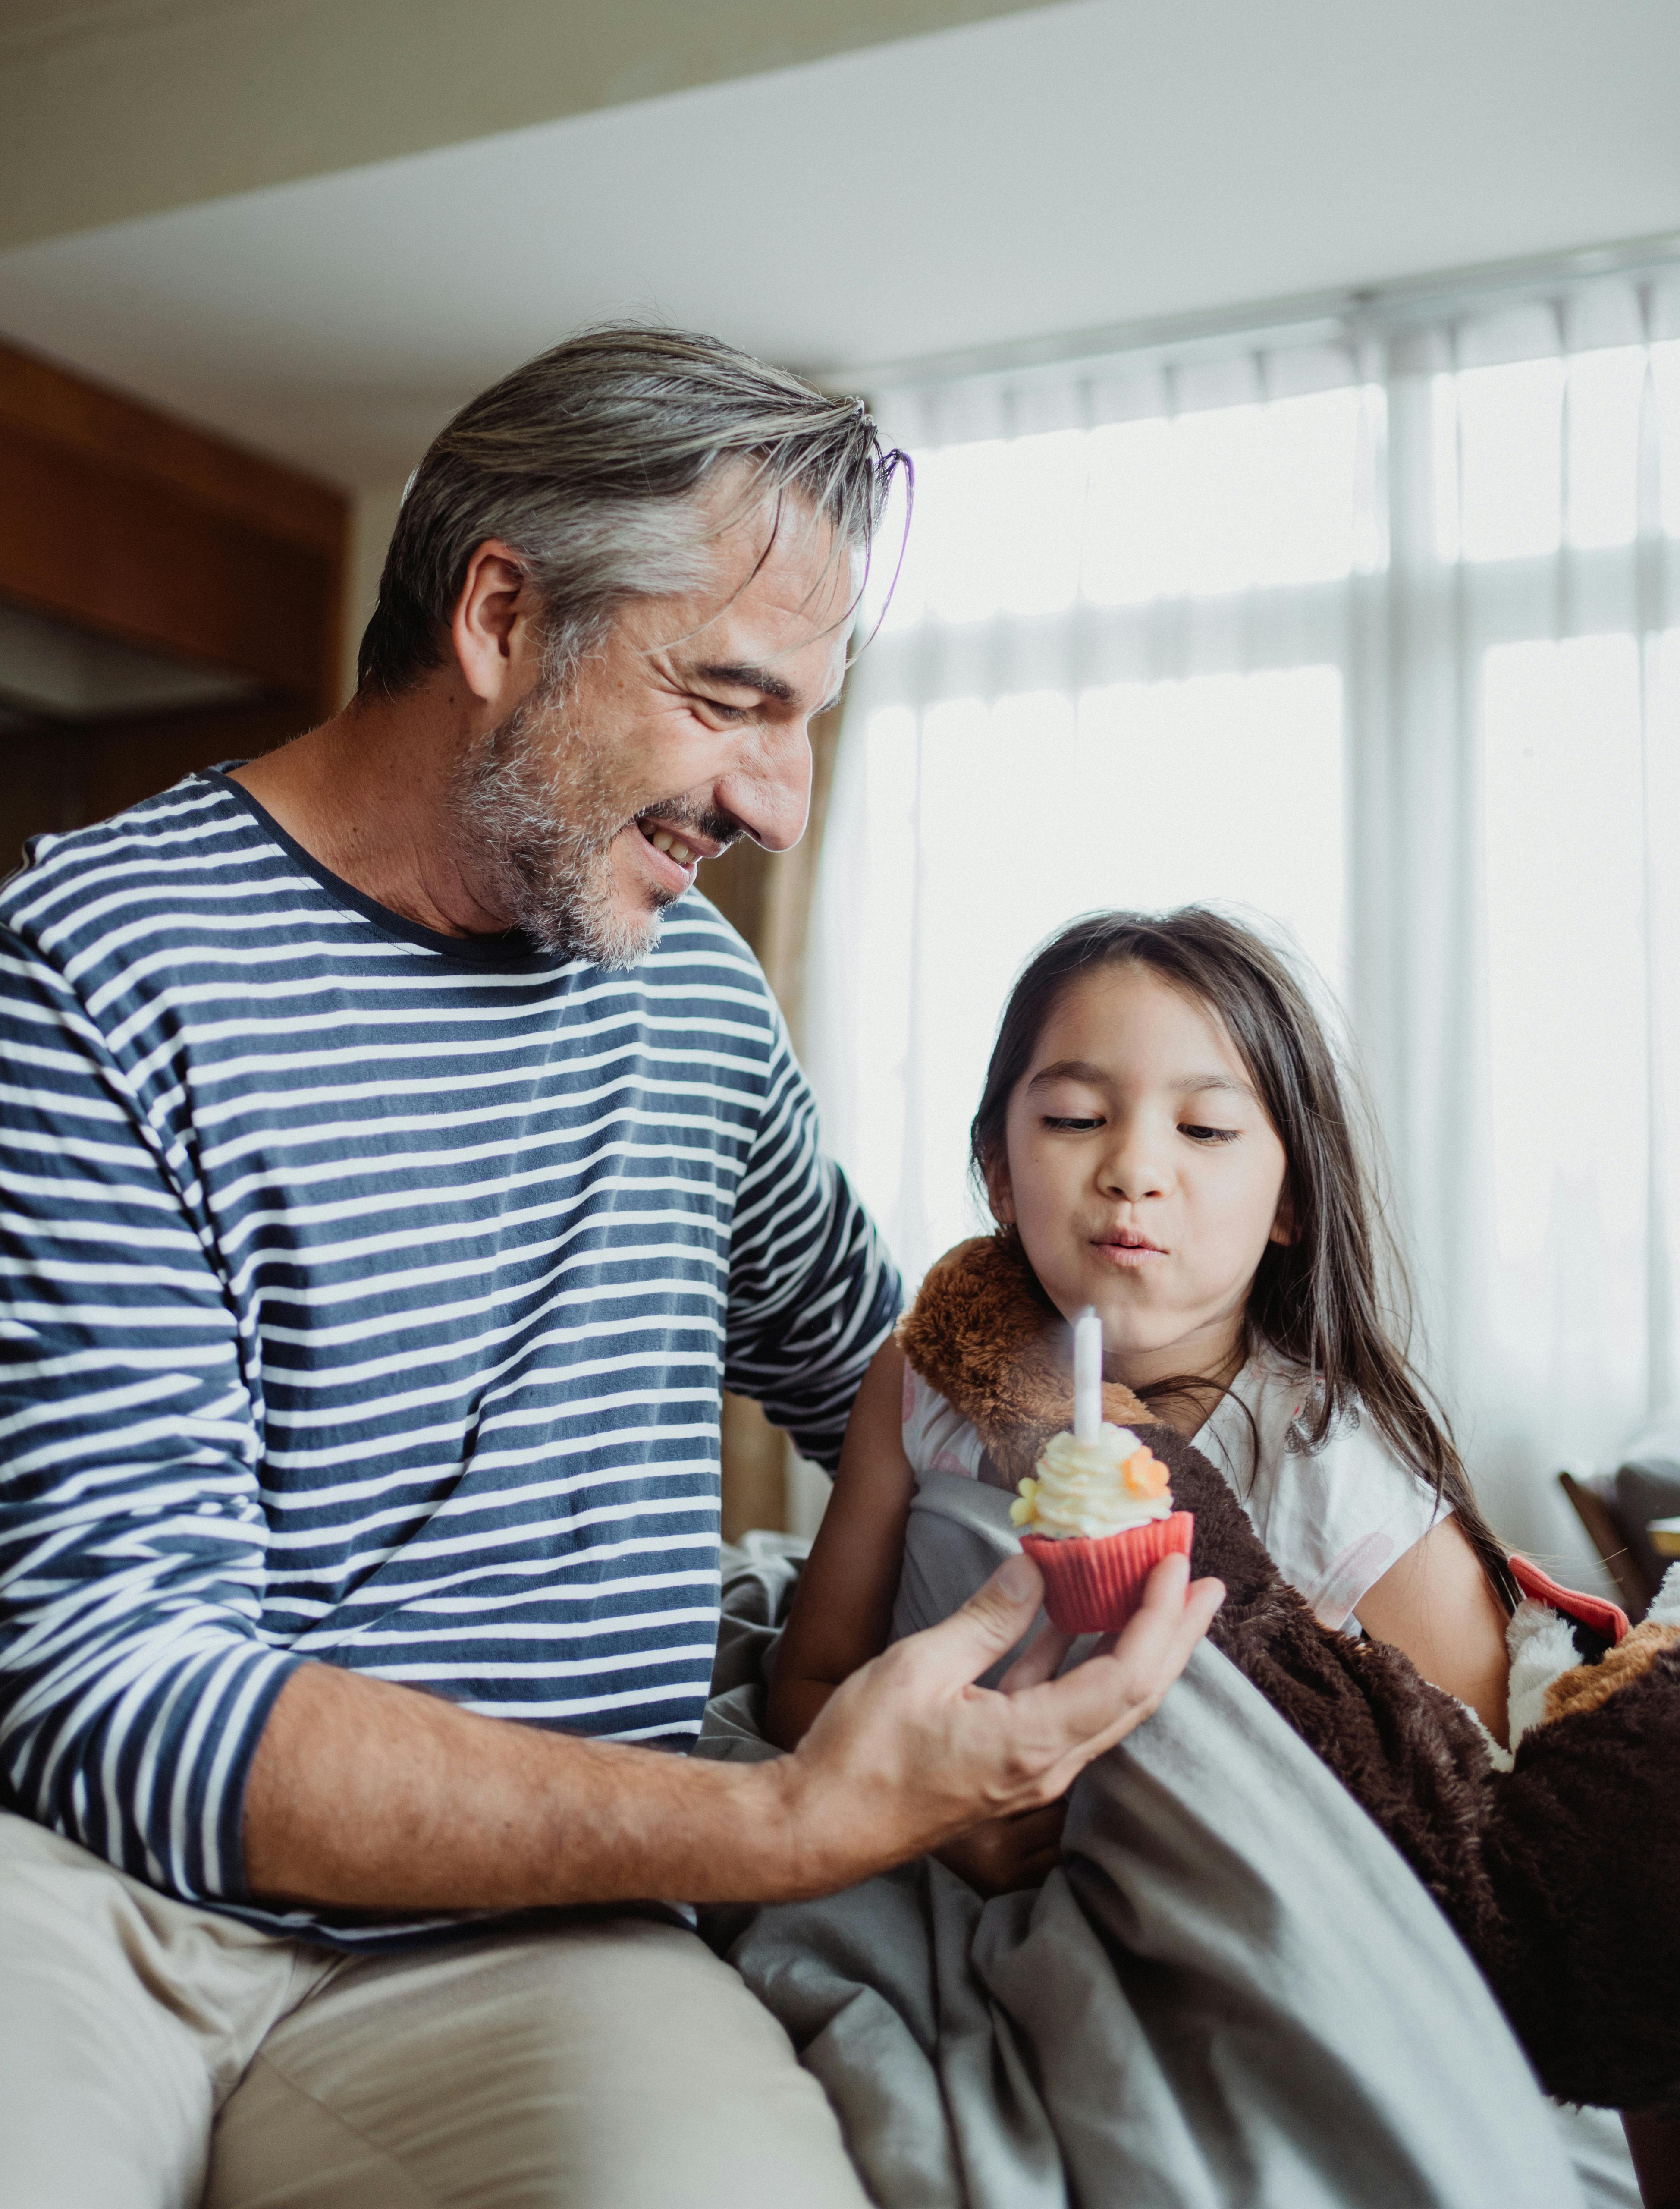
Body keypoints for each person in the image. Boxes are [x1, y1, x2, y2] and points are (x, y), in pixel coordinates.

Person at [0, 333, 1221, 2209]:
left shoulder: (695, 1008)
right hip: (95, 1904)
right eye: (732, 697)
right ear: (502, 613)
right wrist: (781, 1820)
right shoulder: (86, 969)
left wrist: (1242, 1436)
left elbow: (889, 1367)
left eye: (806, 716)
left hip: (540, 1936)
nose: (781, 802)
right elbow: (116, 1684)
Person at [768, 906, 1516, 1896]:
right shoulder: (918, 1391)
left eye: (1203, 1129)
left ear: (1290, 1200)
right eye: (1076, 1120)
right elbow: (807, 1685)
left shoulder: (1347, 1484)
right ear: (997, 1170)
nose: (1131, 1171)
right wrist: (939, 1820)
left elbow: (1475, 1824)